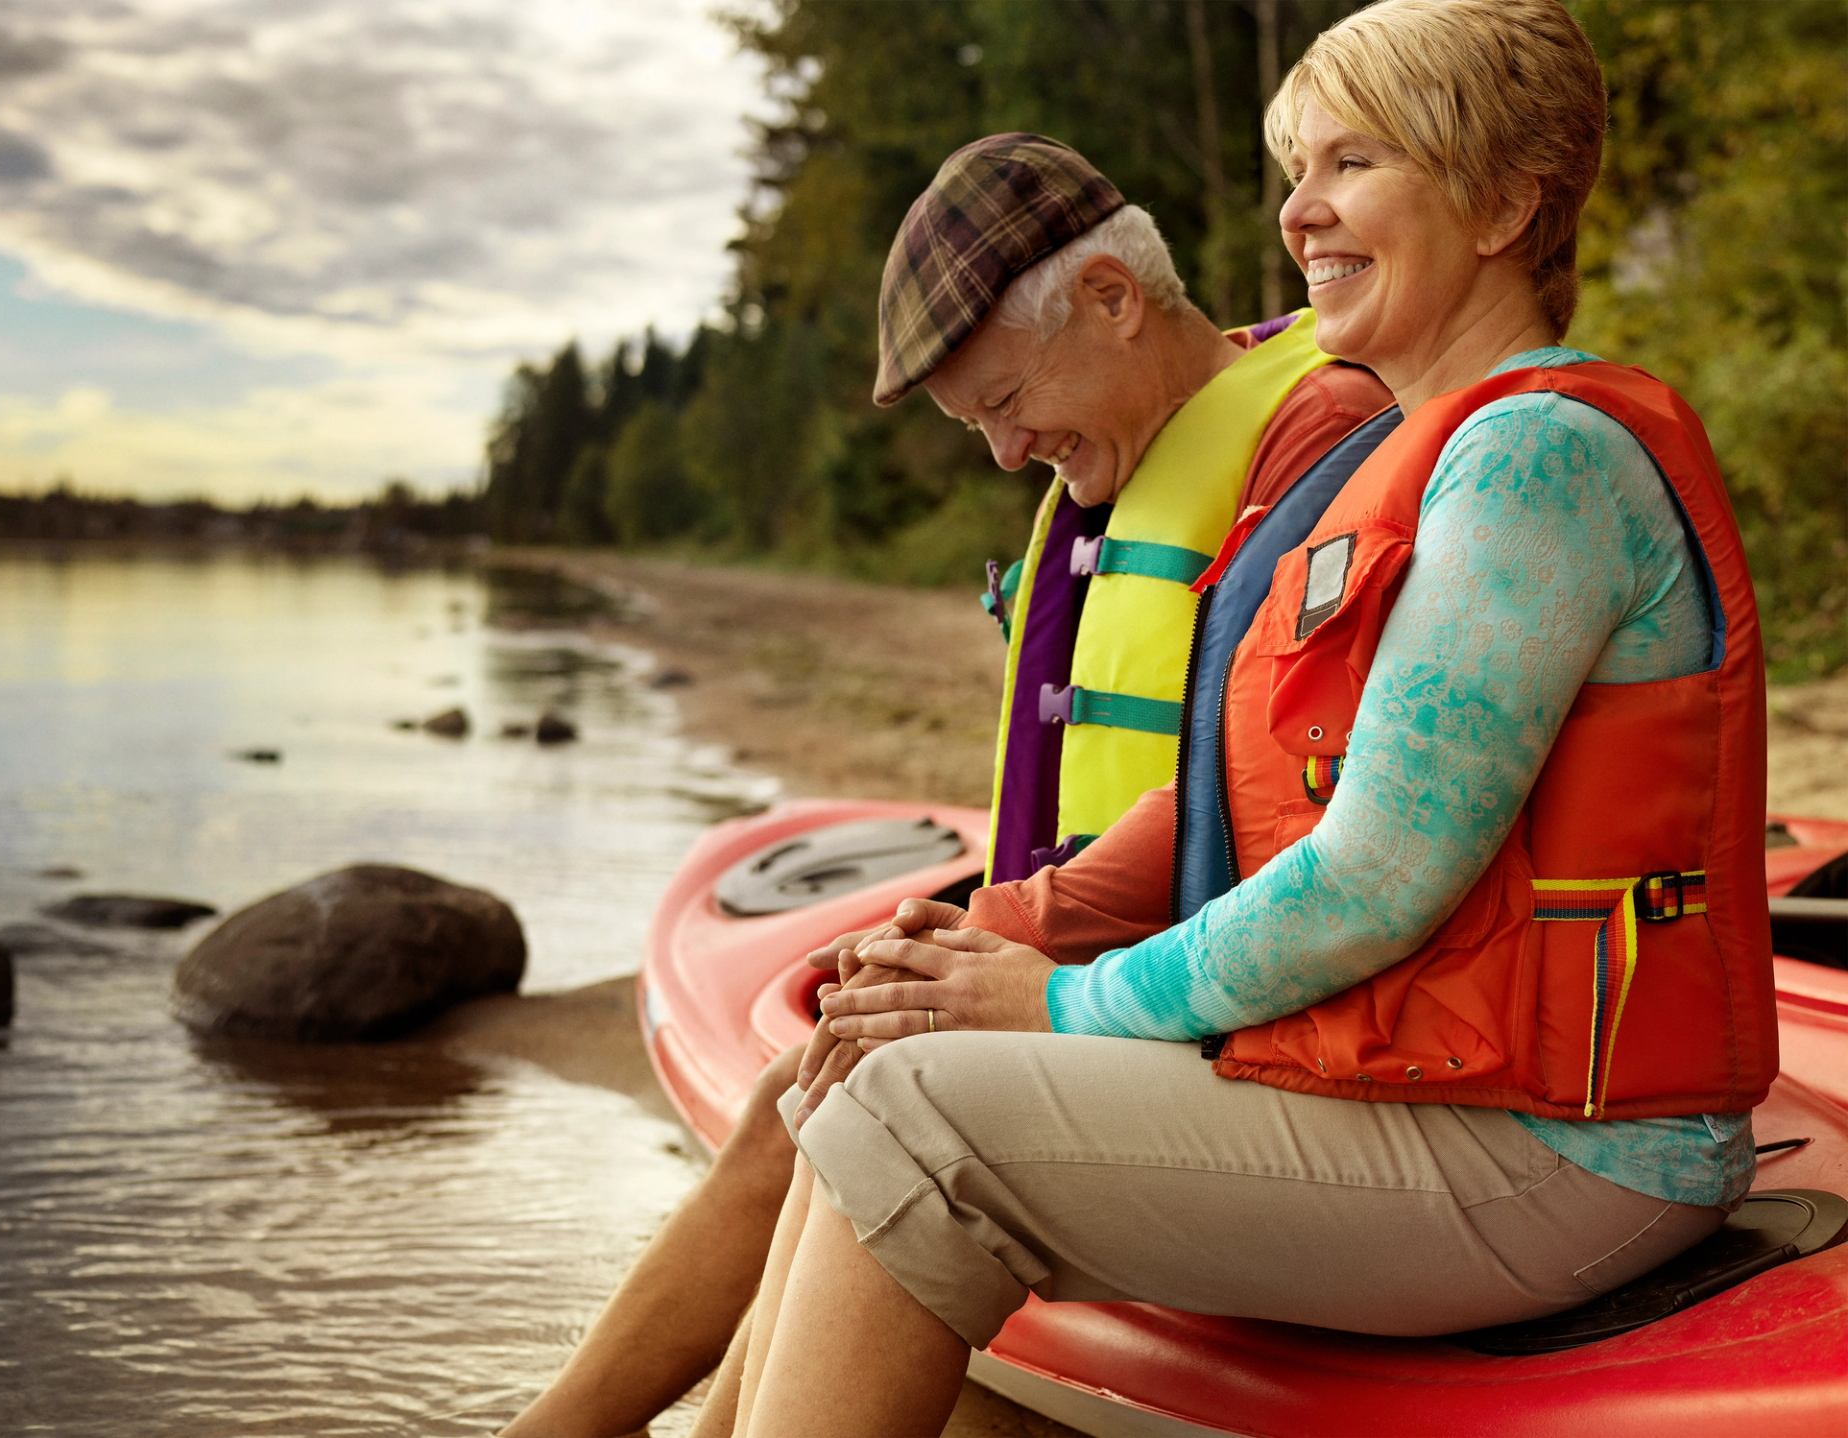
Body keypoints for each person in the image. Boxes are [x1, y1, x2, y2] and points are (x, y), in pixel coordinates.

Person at [717, 1, 1777, 1433]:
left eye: (1354, 163)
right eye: (1297, 168)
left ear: (1506, 199)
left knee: (920, 1122)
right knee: (891, 1083)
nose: (1300, 212)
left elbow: (1376, 877)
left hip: (1576, 1154)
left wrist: (1064, 1001)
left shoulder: (1536, 461)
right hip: (1438, 1094)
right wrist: (1034, 952)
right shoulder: (1413, 456)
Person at [499, 137, 1390, 1437]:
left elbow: (1257, 791)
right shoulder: (1144, 441)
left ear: (1111, 295)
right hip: (1114, 929)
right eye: (979, 423)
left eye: (1008, 401)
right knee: (805, 1085)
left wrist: (1007, 931)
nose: (1003, 453)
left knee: (833, 1092)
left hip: (1217, 968)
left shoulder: (1320, 428)